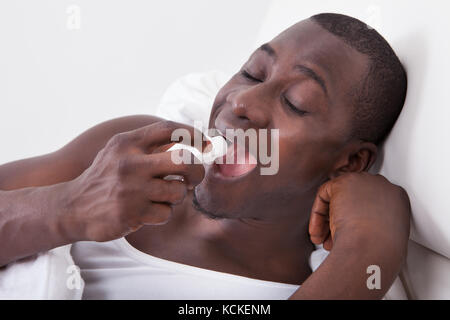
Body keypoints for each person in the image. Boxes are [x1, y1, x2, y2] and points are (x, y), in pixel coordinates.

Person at [0, 13, 410, 299]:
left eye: (295, 102)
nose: (243, 100)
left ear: (350, 162)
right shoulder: (133, 150)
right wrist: (67, 206)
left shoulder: (316, 286)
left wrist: (368, 249)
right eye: (252, 73)